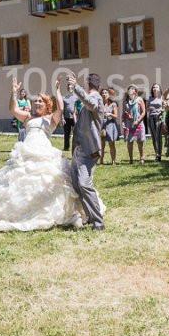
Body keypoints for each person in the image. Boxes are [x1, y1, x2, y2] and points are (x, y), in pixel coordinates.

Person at [0, 77, 102, 232]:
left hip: (44, 153)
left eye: (41, 101)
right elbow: (13, 110)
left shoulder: (50, 119)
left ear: (47, 105)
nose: (37, 103)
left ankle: (82, 214)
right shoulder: (27, 117)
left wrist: (58, 91)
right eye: (36, 101)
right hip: (26, 153)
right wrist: (13, 93)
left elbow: (60, 108)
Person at [67, 71, 106, 231]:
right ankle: (90, 216)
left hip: (89, 150)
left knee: (84, 184)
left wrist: (76, 87)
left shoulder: (96, 98)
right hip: (79, 149)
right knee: (77, 185)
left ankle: (99, 222)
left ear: (88, 84)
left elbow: (92, 104)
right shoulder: (87, 101)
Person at [122, 85, 146, 164]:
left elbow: (143, 112)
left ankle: (142, 158)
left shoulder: (139, 99)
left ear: (135, 91)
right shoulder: (125, 101)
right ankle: (131, 159)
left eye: (132, 89)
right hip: (129, 124)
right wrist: (123, 122)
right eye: (129, 89)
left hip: (138, 123)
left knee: (140, 141)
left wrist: (138, 120)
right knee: (130, 142)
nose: (130, 90)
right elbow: (123, 113)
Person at [100, 88, 119, 165]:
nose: (104, 94)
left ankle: (113, 161)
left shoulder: (113, 104)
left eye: (106, 93)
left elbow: (116, 116)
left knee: (111, 144)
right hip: (102, 125)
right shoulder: (99, 104)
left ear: (109, 94)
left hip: (110, 125)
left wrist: (110, 114)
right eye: (103, 93)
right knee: (101, 144)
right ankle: (101, 161)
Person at [146, 84, 165, 162]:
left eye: (156, 87)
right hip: (151, 118)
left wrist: (161, 110)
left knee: (158, 137)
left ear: (159, 89)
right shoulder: (150, 98)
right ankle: (156, 154)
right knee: (153, 137)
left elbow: (164, 108)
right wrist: (149, 108)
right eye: (153, 87)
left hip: (158, 118)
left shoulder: (162, 98)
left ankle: (159, 154)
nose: (154, 88)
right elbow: (146, 108)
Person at [61, 87, 77, 151]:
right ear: (67, 89)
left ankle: (76, 147)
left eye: (71, 88)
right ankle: (66, 147)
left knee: (76, 133)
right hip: (66, 118)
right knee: (66, 134)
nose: (70, 89)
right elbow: (62, 109)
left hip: (75, 118)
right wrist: (62, 118)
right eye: (69, 87)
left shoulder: (77, 97)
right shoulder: (64, 98)